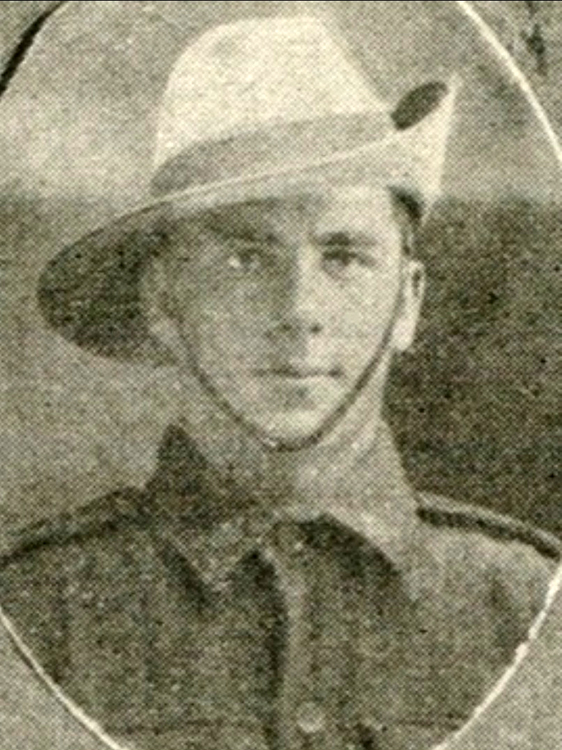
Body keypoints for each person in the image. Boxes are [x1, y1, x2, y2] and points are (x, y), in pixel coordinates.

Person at [0, 16, 559, 750]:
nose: (298, 311)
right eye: (245, 259)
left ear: (408, 304)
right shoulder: (39, 610)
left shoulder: (523, 602)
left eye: (343, 256)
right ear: (164, 302)